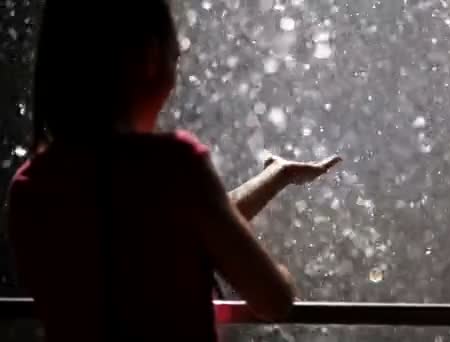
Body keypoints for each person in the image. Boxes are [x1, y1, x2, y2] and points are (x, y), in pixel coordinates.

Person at [6, 1, 341, 341]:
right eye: (175, 59)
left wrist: (276, 176)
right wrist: (280, 274)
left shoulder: (30, 187)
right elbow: (273, 299)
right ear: (150, 58)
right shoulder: (175, 165)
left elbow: (155, 235)